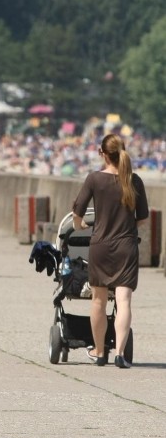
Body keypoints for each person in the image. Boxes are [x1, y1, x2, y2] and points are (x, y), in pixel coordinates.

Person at [72, 133, 148, 368]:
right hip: (126, 246)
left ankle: (99, 351)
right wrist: (127, 227)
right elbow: (143, 217)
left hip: (101, 246)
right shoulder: (134, 180)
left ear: (102, 154)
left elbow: (78, 213)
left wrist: (80, 225)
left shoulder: (94, 179)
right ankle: (121, 354)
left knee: (98, 300)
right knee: (124, 301)